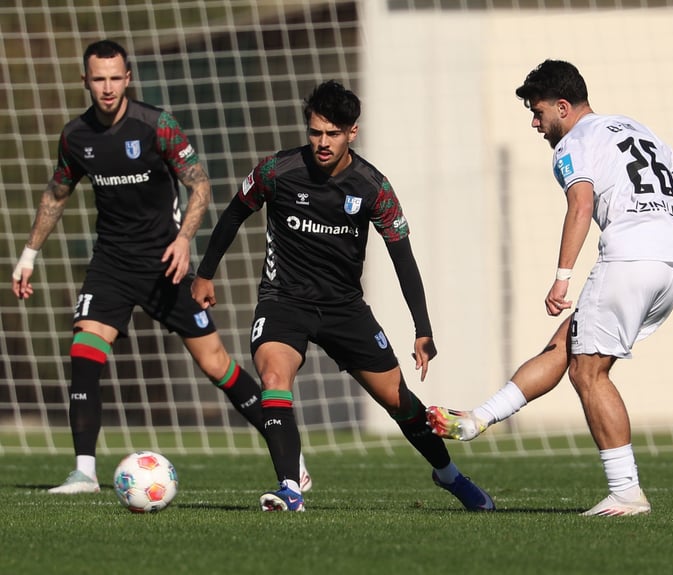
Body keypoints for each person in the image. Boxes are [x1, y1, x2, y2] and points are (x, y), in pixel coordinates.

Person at [9, 39, 312, 495]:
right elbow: (56, 194)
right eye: (98, 79)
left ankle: (291, 455)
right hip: (110, 263)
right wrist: (28, 256)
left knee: (217, 366)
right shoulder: (76, 136)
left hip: (163, 265)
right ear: (85, 81)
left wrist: (184, 240)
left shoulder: (157, 126)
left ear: (127, 78)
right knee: (84, 353)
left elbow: (200, 185)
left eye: (115, 78)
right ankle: (84, 472)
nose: (107, 87)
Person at [191, 80, 494, 512]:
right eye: (315, 132)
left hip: (344, 309)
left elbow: (402, 258)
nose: (322, 142)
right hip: (284, 300)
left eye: (333, 133)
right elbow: (235, 212)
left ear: (352, 132)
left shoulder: (373, 187)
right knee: (274, 377)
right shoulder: (277, 171)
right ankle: (290, 489)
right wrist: (205, 274)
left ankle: (449, 475)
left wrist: (422, 329)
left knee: (398, 400)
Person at [428, 59, 673, 516]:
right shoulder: (634, 127)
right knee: (568, 344)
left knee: (588, 372)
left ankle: (626, 492)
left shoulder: (573, 143)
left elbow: (580, 205)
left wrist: (562, 277)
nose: (536, 125)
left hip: (631, 255)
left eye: (539, 113)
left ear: (563, 106)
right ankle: (481, 418)